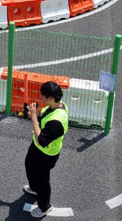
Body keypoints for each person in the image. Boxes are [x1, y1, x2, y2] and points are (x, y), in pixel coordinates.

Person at [23, 81, 69, 218]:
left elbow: (41, 140)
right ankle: (34, 188)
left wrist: (34, 118)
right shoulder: (54, 106)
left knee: (43, 181)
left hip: (46, 154)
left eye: (43, 96)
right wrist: (32, 114)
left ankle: (44, 207)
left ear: (50, 98)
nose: (40, 98)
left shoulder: (57, 122)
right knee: (29, 165)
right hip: (36, 149)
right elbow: (43, 119)